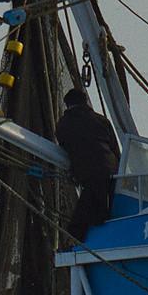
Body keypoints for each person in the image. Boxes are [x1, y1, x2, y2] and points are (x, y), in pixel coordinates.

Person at [56, 86, 121, 237]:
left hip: (90, 175)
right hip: (113, 171)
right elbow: (115, 149)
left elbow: (65, 146)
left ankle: (84, 243)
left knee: (78, 225)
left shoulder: (64, 124)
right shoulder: (102, 120)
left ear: (68, 105)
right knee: (105, 210)